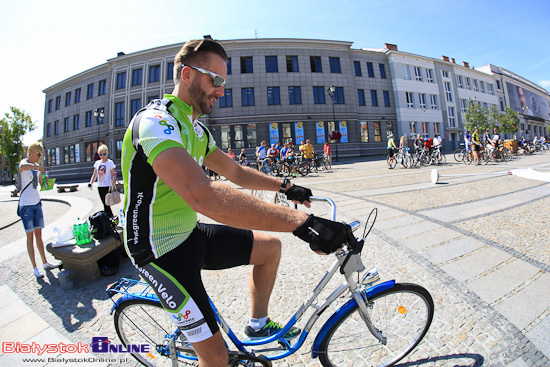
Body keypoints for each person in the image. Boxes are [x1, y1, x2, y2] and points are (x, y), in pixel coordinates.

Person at [120, 38, 350, 367]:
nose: (221, 90)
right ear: (187, 75)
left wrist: (287, 186)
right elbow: (205, 195)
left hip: (187, 233)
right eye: (215, 80)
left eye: (224, 82)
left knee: (269, 249)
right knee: (215, 358)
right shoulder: (156, 122)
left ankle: (257, 325)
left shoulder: (196, 129)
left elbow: (237, 173)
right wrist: (302, 223)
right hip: (155, 249)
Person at [18, 142, 56, 278]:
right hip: (26, 206)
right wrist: (36, 167)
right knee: (30, 237)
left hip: (36, 203)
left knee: (39, 235)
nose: (39, 158)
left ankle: (45, 262)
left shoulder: (35, 168)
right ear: (32, 151)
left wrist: (44, 176)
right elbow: (22, 167)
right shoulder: (25, 163)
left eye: (40, 155)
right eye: (38, 154)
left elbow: (41, 184)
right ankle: (35, 267)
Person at [88, 144, 117, 217]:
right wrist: (91, 183)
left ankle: (110, 218)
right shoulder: (97, 163)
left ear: (107, 153)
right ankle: (110, 218)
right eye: (101, 154)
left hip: (107, 185)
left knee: (106, 204)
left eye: (104, 154)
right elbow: (94, 174)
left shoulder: (110, 163)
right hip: (100, 186)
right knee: (104, 204)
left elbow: (113, 174)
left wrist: (114, 179)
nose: (102, 156)